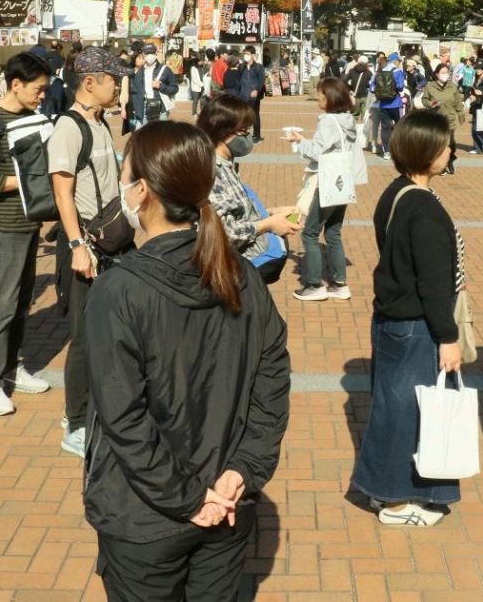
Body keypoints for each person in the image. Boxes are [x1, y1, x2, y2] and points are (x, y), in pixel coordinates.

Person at [84, 120, 290, 601]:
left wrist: (205, 490)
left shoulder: (120, 290)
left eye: (126, 172)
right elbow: (273, 382)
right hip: (225, 499)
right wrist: (240, 471)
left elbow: (121, 416)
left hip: (148, 514)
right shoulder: (240, 273)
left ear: (141, 192)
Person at [350, 110, 464, 526]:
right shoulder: (425, 209)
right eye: (445, 145)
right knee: (403, 413)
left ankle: (404, 491)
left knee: (394, 406)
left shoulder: (394, 192)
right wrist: (448, 338)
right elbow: (434, 284)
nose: (451, 150)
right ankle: (392, 500)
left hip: (390, 318)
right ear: (427, 151)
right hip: (415, 324)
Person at [48, 46, 130, 456]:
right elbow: (62, 193)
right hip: (85, 245)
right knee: (82, 338)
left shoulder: (99, 123)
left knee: (105, 332)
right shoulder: (69, 127)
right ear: (90, 82)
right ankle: (74, 423)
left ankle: (97, 410)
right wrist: (78, 246)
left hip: (110, 242)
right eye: (113, 78)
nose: (118, 84)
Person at [0, 52, 54, 416]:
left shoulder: (33, 119)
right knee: (1, 306)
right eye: (38, 89)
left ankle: (11, 367)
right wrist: (28, 181)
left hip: (30, 224)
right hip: (5, 225)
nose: (42, 96)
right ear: (16, 84)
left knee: (20, 303)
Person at [197, 95, 298, 263]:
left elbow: (234, 210)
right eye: (244, 131)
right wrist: (268, 224)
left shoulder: (227, 164)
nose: (248, 137)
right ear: (222, 131)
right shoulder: (211, 171)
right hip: (226, 270)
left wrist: (271, 212)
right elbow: (224, 232)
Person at [285, 78, 358, 301]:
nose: (318, 98)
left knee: (310, 233)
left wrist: (299, 141)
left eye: (321, 94)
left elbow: (316, 152)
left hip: (325, 181)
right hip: (343, 181)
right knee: (333, 233)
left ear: (330, 97)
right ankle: (339, 283)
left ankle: (315, 284)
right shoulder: (347, 120)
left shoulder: (328, 121)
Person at [422, 63, 465, 175]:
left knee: (451, 143)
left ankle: (450, 160)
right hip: (435, 119)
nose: (445, 75)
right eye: (442, 73)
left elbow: (457, 102)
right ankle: (439, 164)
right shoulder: (430, 86)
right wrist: (431, 103)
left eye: (446, 72)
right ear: (437, 74)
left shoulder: (452, 86)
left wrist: (461, 115)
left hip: (449, 119)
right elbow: (424, 100)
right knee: (438, 143)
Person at [130, 45, 178, 130]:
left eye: (151, 52)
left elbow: (174, 88)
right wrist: (136, 108)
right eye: (147, 53)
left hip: (161, 108)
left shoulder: (165, 70)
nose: (149, 55)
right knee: (141, 135)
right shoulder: (140, 72)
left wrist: (161, 86)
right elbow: (135, 92)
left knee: (161, 135)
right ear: (144, 54)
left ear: (156, 53)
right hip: (143, 107)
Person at [370, 53, 406, 161]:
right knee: (400, 126)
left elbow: (372, 89)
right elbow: (400, 87)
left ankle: (386, 152)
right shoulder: (397, 71)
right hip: (396, 103)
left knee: (385, 128)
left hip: (383, 104)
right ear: (394, 61)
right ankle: (399, 150)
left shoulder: (379, 72)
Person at [237, 46, 267, 142]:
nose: (246, 56)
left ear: (253, 55)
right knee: (243, 115)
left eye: (248, 54)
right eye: (245, 53)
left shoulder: (258, 67)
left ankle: (256, 135)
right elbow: (238, 79)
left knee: (254, 116)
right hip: (242, 95)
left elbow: (261, 80)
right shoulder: (241, 67)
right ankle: (243, 133)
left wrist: (256, 90)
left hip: (253, 97)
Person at [347, 54, 372, 120]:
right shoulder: (368, 73)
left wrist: (350, 89)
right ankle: (363, 130)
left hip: (354, 96)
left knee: (354, 116)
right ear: (366, 63)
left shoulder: (352, 71)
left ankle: (353, 129)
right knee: (365, 117)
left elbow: (344, 80)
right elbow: (371, 84)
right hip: (365, 96)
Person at [189, 51, 209, 115]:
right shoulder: (193, 68)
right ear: (197, 61)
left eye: (202, 61)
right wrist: (202, 85)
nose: (202, 62)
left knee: (202, 101)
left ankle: (201, 112)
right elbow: (194, 79)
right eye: (201, 61)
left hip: (203, 87)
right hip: (196, 87)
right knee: (195, 100)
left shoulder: (203, 68)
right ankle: (194, 112)